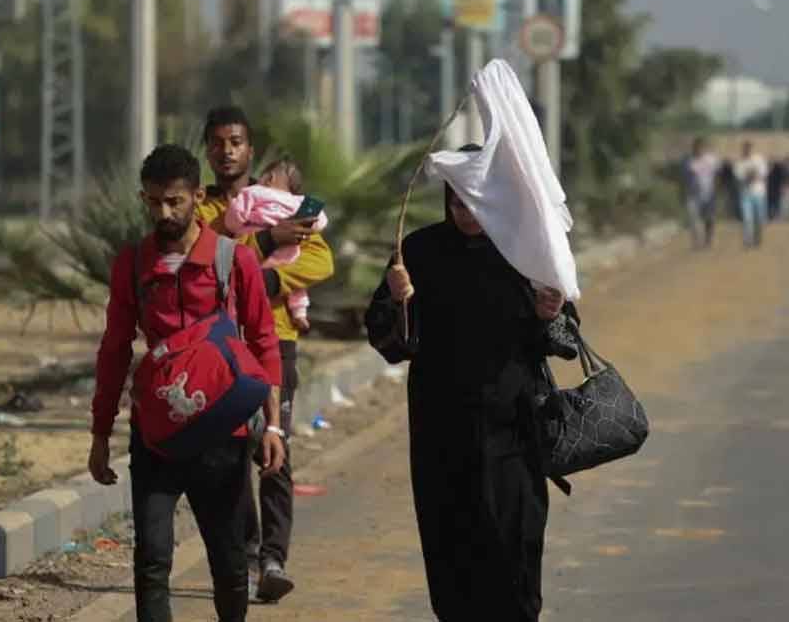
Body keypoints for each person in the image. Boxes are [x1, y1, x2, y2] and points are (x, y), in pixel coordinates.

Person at [365, 150, 571, 622]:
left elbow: (563, 341)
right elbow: (389, 340)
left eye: (477, 203)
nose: (467, 214)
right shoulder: (417, 252)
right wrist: (399, 302)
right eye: (458, 204)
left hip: (513, 432)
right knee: (451, 554)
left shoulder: (527, 251)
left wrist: (549, 314)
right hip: (442, 432)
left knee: (514, 554)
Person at [87, 145, 286, 622]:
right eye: (154, 201)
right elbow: (114, 350)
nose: (164, 212)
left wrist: (274, 427)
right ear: (143, 198)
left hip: (222, 434)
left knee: (229, 562)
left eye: (175, 201)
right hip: (156, 435)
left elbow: (264, 342)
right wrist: (99, 434)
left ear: (198, 195)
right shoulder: (132, 264)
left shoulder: (234, 262)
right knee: (152, 560)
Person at [197, 106, 335, 602]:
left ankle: (273, 559)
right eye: (217, 142)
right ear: (207, 150)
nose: (227, 150)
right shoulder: (202, 208)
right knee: (233, 454)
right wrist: (267, 241)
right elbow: (209, 259)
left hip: (276, 342)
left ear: (250, 149)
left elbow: (320, 257)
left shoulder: (280, 199)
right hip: (220, 347)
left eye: (235, 141)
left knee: (276, 451)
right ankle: (249, 551)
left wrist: (267, 278)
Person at [225, 158, 330, 333]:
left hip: (259, 257)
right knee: (296, 284)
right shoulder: (298, 201)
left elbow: (234, 218)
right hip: (290, 253)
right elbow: (321, 221)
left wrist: (237, 226)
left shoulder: (253, 192)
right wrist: (304, 225)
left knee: (247, 282)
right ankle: (300, 312)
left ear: (269, 178)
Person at [682, 137, 720, 249]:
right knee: (693, 218)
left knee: (709, 218)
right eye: (696, 148)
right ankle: (697, 242)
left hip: (709, 193)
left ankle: (708, 239)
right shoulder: (688, 160)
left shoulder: (711, 159)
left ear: (704, 148)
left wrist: (716, 187)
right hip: (693, 195)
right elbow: (685, 176)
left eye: (701, 148)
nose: (699, 150)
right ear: (693, 148)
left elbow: (718, 174)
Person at [733, 141, 769, 248]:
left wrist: (751, 175)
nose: (747, 150)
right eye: (745, 148)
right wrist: (751, 175)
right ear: (742, 149)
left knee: (759, 219)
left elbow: (763, 174)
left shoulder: (759, 159)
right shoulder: (739, 162)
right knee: (747, 219)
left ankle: (757, 239)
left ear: (751, 149)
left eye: (748, 148)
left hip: (759, 193)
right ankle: (747, 241)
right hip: (745, 194)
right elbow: (740, 178)